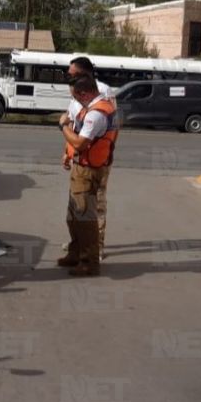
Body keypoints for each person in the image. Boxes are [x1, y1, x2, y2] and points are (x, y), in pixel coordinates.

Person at [57, 74, 119, 277]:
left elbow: (80, 143)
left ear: (85, 93)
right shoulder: (97, 106)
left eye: (75, 96)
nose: (75, 100)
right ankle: (76, 252)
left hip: (88, 169)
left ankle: (89, 262)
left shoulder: (96, 114)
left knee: (84, 217)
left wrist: (63, 125)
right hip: (84, 165)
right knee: (74, 215)